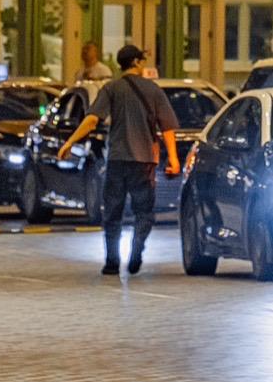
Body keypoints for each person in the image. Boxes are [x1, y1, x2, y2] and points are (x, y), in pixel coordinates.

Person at [57, 41, 180, 277]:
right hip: (143, 162)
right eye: (142, 61)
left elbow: (92, 120)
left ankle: (112, 262)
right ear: (136, 62)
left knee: (112, 214)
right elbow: (167, 127)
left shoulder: (111, 89)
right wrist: (173, 159)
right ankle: (136, 251)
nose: (144, 65)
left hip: (116, 161)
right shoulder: (153, 90)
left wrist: (70, 142)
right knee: (144, 213)